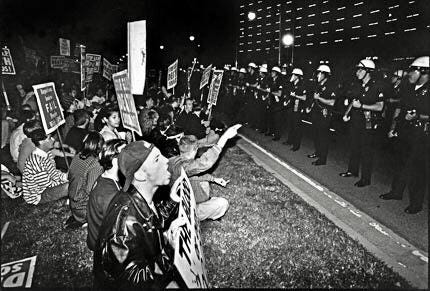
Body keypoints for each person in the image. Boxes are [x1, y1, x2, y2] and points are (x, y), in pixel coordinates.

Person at [94, 140, 185, 290]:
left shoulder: (138, 196)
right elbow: (136, 282)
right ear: (140, 174)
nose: (166, 161)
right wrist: (170, 247)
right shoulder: (123, 229)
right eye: (157, 159)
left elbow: (150, 221)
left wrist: (173, 200)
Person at [379, 56, 429, 214]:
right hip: (404, 130)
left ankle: (416, 203)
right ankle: (396, 192)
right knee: (400, 162)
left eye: (413, 70)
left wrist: (418, 117)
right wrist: (393, 127)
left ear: (424, 72)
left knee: (417, 169)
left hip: (421, 134)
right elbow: (399, 108)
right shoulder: (408, 88)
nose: (409, 74)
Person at [168, 124, 241, 221]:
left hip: (179, 203)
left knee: (205, 184)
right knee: (223, 203)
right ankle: (200, 216)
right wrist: (225, 137)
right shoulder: (185, 167)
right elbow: (205, 163)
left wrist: (214, 179)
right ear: (195, 150)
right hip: (185, 211)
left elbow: (194, 175)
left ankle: (205, 206)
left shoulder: (173, 161)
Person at [339, 59, 385, 187]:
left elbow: (380, 106)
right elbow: (354, 102)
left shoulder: (376, 86)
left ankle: (365, 179)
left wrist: (362, 106)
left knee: (366, 151)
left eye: (360, 69)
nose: (357, 72)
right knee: (354, 147)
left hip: (368, 123)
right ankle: (352, 171)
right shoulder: (358, 85)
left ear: (368, 71)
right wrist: (346, 114)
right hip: (356, 121)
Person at [87, 139, 127, 251]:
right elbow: (120, 230)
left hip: (98, 236)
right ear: (114, 160)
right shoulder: (109, 195)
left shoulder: (106, 177)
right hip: (103, 246)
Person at [66, 132, 104, 229]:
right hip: (83, 209)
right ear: (100, 146)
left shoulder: (77, 156)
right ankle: (85, 220)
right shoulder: (96, 164)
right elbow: (90, 191)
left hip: (73, 204)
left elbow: (69, 176)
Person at [22, 129, 68, 205]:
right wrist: (65, 180)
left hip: (47, 186)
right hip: (38, 196)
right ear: (41, 142)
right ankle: (63, 202)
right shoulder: (36, 161)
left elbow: (54, 173)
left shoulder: (46, 153)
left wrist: (65, 176)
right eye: (50, 138)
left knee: (72, 179)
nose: (53, 139)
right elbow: (46, 185)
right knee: (69, 186)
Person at [306, 64, 337, 165]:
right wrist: (310, 106)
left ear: (325, 75)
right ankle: (317, 152)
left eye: (320, 73)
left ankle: (322, 159)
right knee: (316, 134)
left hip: (325, 114)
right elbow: (314, 98)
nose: (317, 75)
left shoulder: (331, 86)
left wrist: (319, 98)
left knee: (323, 136)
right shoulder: (318, 85)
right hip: (316, 113)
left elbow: (332, 102)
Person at [283, 68, 307, 151]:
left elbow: (304, 98)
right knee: (291, 125)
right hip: (291, 107)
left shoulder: (302, 85)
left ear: (298, 76)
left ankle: (296, 146)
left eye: (294, 75)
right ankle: (290, 141)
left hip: (298, 108)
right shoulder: (292, 84)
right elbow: (289, 94)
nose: (292, 76)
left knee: (297, 127)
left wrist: (296, 96)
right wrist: (287, 101)